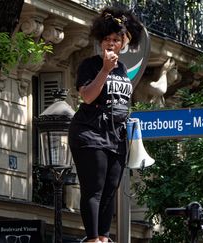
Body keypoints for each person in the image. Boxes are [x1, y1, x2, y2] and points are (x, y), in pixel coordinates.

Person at [68, 6, 143, 243]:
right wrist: (104, 70)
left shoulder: (123, 69)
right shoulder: (90, 65)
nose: (111, 44)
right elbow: (88, 96)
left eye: (116, 40)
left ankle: (103, 237)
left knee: (111, 191)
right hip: (90, 132)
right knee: (95, 189)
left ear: (123, 42)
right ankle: (92, 239)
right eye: (107, 39)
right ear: (101, 41)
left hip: (116, 136)